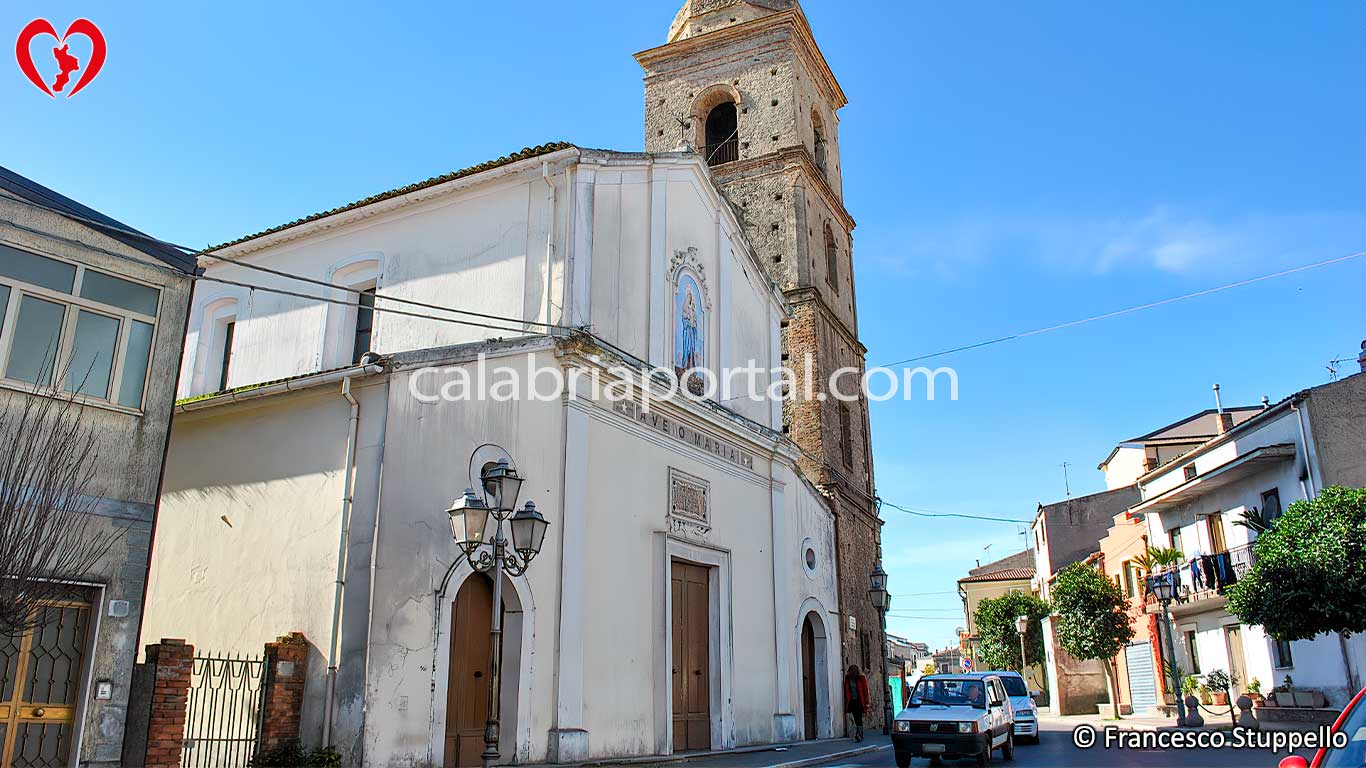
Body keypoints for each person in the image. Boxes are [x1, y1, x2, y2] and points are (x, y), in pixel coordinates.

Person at [844, 665, 870, 741]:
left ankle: (859, 734)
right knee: (856, 717)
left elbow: (865, 691)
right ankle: (859, 733)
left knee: (858, 717)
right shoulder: (847, 678)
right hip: (852, 701)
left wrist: (867, 703)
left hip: (859, 701)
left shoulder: (861, 678)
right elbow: (846, 690)